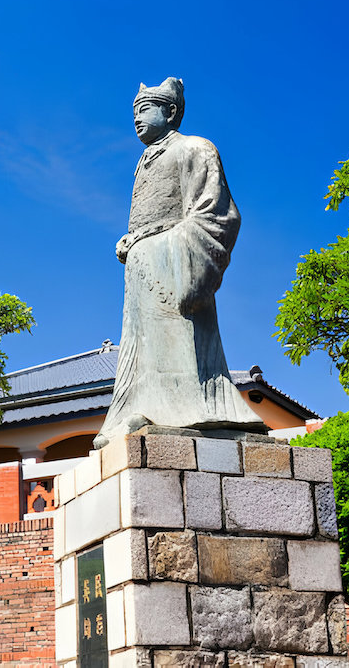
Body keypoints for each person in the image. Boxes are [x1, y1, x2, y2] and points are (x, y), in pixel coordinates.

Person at [95, 77, 265, 447]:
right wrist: (134, 241)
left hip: (174, 263)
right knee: (139, 343)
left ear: (171, 111)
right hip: (142, 271)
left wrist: (155, 241)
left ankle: (189, 408)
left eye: (145, 110)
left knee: (178, 337)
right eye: (134, 112)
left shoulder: (194, 148)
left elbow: (216, 214)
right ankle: (141, 406)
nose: (137, 119)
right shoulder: (144, 163)